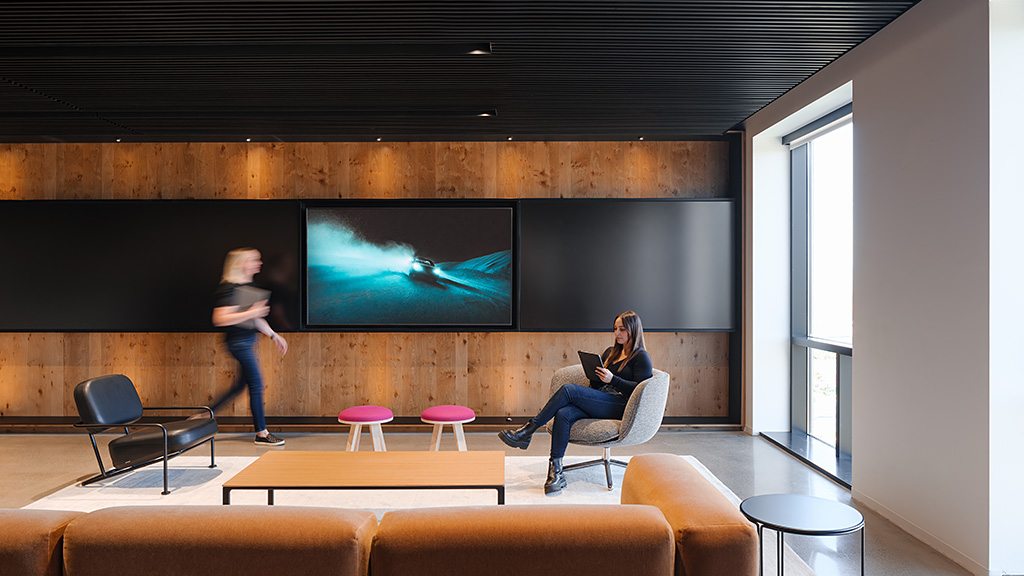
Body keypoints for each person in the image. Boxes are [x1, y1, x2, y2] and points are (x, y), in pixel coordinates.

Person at [498, 310, 653, 494]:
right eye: (615, 329)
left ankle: (528, 430)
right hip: (602, 399)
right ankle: (556, 472)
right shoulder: (610, 352)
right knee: (563, 414)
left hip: (621, 405)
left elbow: (641, 391)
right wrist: (595, 374)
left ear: (633, 330)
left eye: (622, 329)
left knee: (569, 389)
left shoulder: (641, 357)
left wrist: (613, 380)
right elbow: (596, 384)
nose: (617, 333)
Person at [210, 248, 289, 446]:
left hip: (249, 341)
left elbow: (256, 318)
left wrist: (273, 335)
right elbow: (220, 318)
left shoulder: (249, 286)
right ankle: (261, 433)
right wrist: (251, 312)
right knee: (256, 384)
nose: (259, 263)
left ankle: (203, 415)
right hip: (238, 343)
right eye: (254, 259)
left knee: (239, 386)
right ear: (241, 264)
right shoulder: (229, 288)